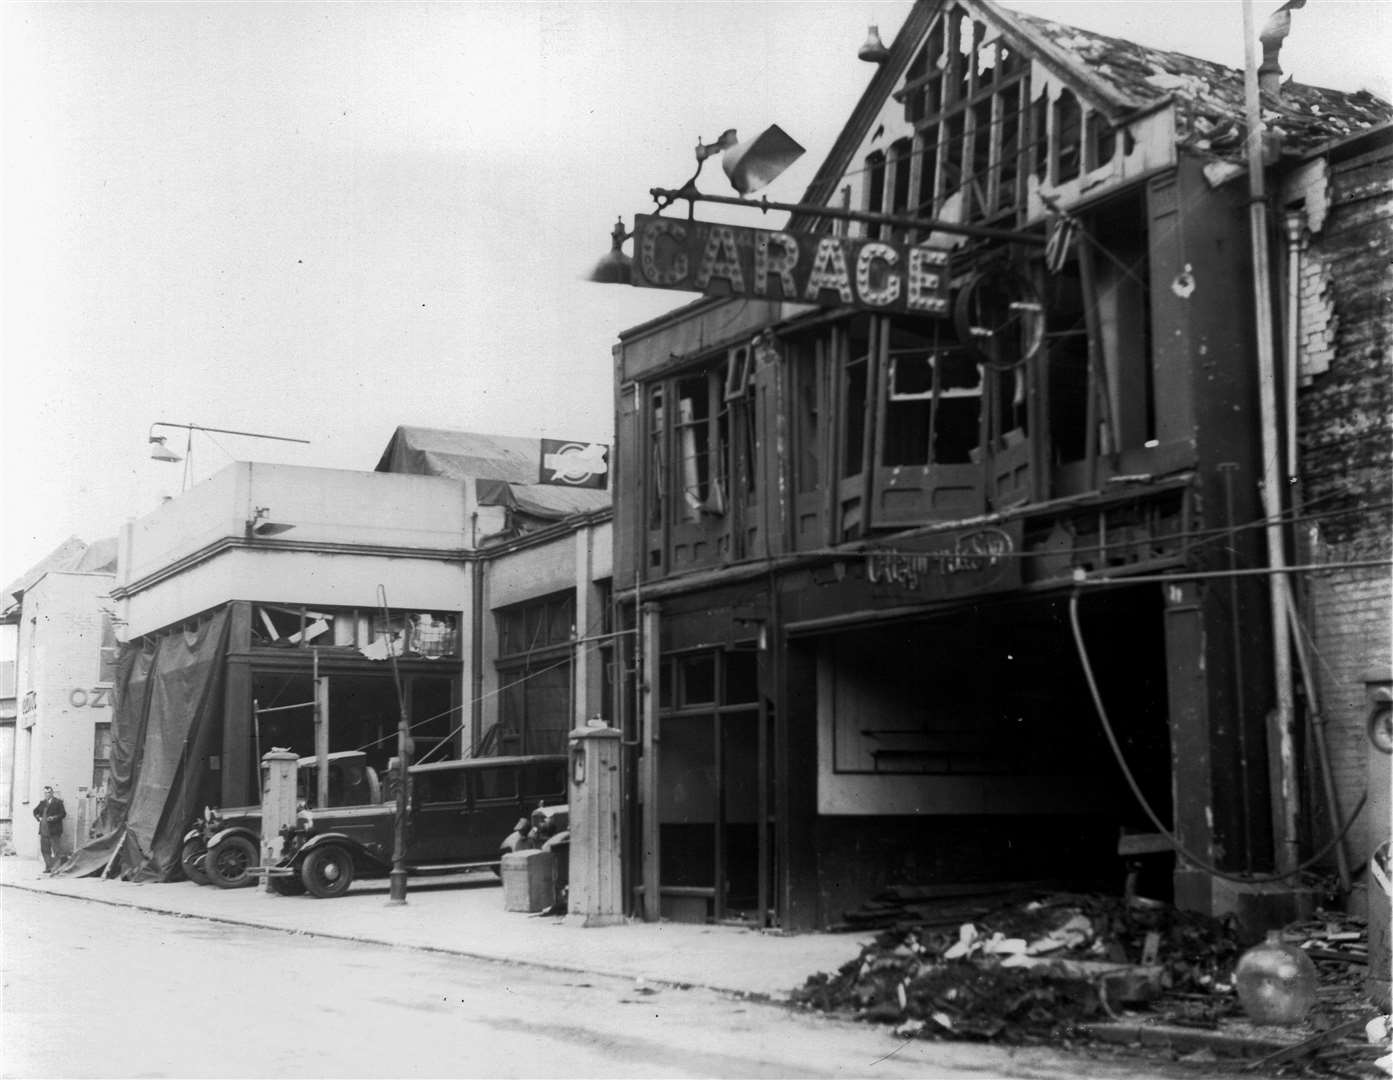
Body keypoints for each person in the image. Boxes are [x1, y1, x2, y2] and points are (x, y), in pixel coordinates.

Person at [33, 786, 66, 872]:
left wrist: (54, 818)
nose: (46, 794)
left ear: (52, 793)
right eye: (45, 793)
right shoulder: (42, 802)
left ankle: (57, 868)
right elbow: (35, 811)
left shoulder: (58, 802)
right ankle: (48, 867)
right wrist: (38, 817)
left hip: (54, 831)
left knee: (56, 850)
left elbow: (63, 814)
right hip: (43, 831)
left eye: (48, 793)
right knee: (44, 850)